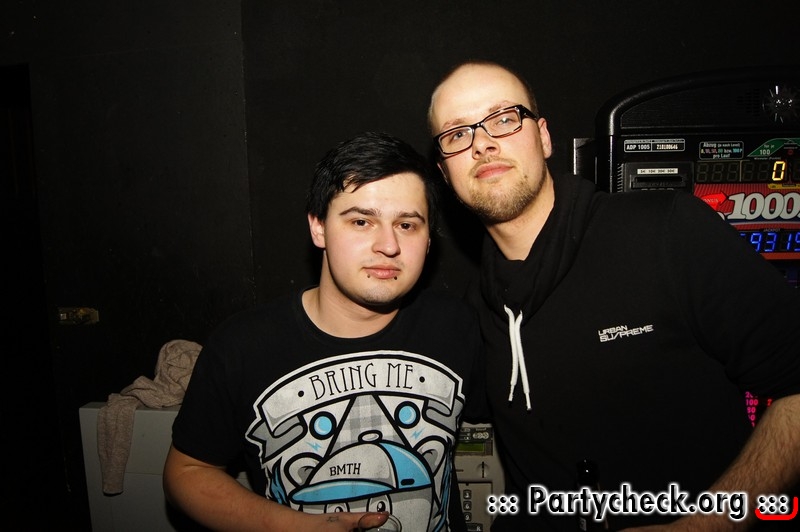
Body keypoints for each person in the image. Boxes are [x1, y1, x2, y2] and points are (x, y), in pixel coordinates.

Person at [427, 60, 800, 530]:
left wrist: (707, 524)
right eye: (457, 133)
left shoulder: (665, 231)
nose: (482, 142)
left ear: (543, 137)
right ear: (445, 172)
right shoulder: (477, 309)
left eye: (504, 118)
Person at [163, 131, 484, 531]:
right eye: (361, 221)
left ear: (429, 240)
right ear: (318, 227)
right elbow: (186, 472)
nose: (388, 245)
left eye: (406, 224)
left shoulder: (457, 326)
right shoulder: (243, 346)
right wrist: (294, 527)